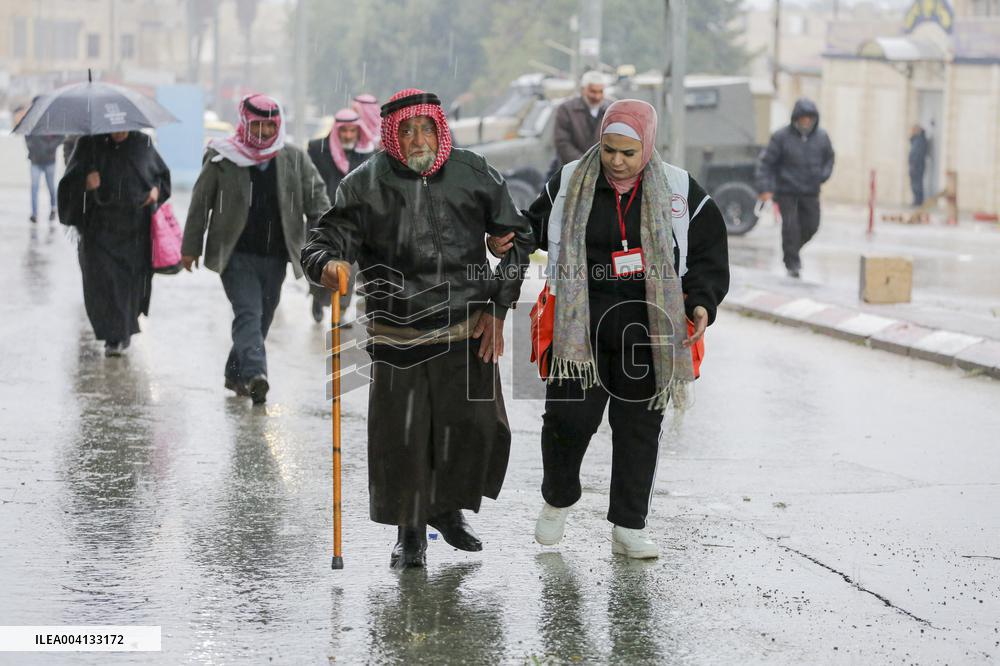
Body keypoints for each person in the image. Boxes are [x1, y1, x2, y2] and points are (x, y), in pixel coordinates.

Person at [301, 88, 533, 570]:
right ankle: (411, 533)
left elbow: (519, 237)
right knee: (403, 438)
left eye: (425, 127)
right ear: (390, 136)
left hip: (465, 325)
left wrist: (499, 305)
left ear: (440, 127)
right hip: (396, 330)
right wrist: (327, 266)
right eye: (405, 130)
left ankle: (446, 510)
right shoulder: (364, 184)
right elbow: (324, 240)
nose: (417, 139)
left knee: (473, 427)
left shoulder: (473, 172)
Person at [520, 99, 729, 559]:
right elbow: (529, 228)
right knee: (566, 422)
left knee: (638, 429)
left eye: (628, 153)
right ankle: (557, 499)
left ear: (648, 148)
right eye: (609, 149)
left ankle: (628, 526)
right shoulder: (571, 179)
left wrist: (701, 304)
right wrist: (504, 235)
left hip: (648, 330)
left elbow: (709, 256)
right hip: (580, 326)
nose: (616, 161)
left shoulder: (679, 190)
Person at [182, 93, 330, 404]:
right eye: (258, 126)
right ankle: (255, 376)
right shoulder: (223, 158)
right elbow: (200, 203)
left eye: (269, 126)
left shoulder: (293, 158)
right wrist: (191, 246)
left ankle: (236, 374)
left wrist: (323, 240)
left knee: (262, 318)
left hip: (275, 256)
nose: (263, 133)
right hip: (235, 254)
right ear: (246, 123)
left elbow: (318, 201)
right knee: (248, 313)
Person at [57, 131, 171, 356]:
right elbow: (68, 185)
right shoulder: (88, 144)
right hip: (98, 231)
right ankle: (114, 336)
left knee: (129, 285)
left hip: (134, 231)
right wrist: (85, 183)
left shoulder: (142, 143)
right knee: (102, 284)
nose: (120, 133)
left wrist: (156, 191)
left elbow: (161, 176)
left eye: (125, 128)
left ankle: (122, 331)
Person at [306, 108, 373, 323]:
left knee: (349, 268)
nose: (347, 135)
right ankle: (317, 298)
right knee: (320, 264)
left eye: (352, 131)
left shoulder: (367, 154)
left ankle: (341, 312)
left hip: (353, 223)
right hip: (323, 220)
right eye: (343, 131)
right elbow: (309, 182)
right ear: (337, 130)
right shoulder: (317, 149)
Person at [755, 98, 835, 278]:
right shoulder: (781, 137)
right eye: (803, 118)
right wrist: (764, 187)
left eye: (810, 119)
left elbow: (829, 158)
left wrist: (823, 175)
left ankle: (792, 250)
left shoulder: (822, 138)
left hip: (810, 190)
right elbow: (766, 163)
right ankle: (792, 263)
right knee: (790, 226)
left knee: (811, 225)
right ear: (796, 119)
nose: (806, 122)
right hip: (786, 191)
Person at [552, 71, 610, 168]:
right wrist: (584, 163)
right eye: (593, 91)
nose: (597, 96)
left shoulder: (611, 109)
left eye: (600, 92)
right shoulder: (566, 109)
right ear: (583, 90)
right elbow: (562, 142)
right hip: (573, 168)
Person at [25, 129, 64, 224]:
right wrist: (31, 147)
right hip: (35, 160)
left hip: (49, 160)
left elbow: (61, 137)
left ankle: (53, 208)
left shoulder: (52, 124)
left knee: (51, 187)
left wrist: (51, 146)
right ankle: (34, 214)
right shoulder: (34, 123)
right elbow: (27, 136)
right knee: (34, 187)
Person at [908, 124, 929, 207]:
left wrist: (914, 164)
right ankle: (916, 200)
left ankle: (918, 201)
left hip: (917, 165)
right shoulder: (916, 140)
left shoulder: (920, 140)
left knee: (917, 183)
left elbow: (917, 154)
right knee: (914, 183)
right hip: (915, 165)